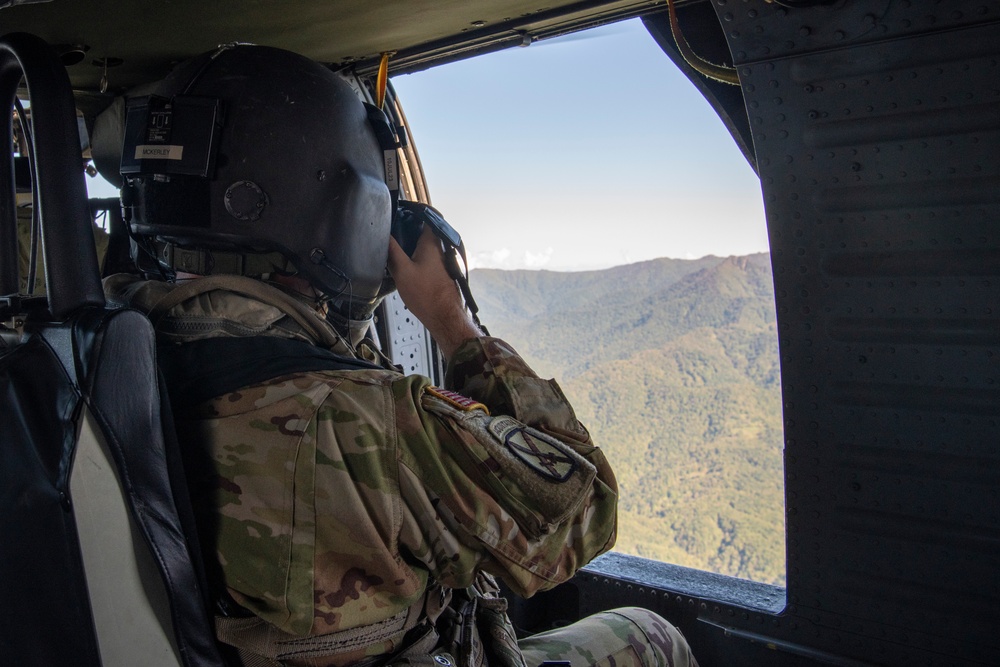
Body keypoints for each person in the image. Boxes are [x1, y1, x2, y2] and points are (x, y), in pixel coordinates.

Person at [101, 44, 698, 667]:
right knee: (653, 634)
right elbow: (587, 513)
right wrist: (451, 323)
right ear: (343, 215)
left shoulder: (95, 355)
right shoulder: (363, 419)